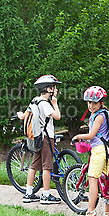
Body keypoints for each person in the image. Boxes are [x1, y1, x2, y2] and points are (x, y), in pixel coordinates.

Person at [17, 75, 62, 204]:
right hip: (47, 138)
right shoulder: (45, 104)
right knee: (47, 167)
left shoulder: (34, 101)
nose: (56, 90)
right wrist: (55, 103)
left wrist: (19, 114)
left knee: (34, 165)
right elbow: (57, 116)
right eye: (54, 87)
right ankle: (46, 195)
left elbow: (24, 115)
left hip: (37, 138)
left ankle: (29, 193)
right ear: (48, 89)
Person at [72, 86, 109, 216]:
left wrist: (78, 136)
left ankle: (90, 212)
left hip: (100, 151)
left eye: (94, 103)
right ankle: (107, 212)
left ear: (101, 103)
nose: (91, 105)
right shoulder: (102, 114)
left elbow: (91, 135)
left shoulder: (99, 116)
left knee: (93, 179)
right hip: (108, 150)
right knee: (106, 179)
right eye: (89, 102)